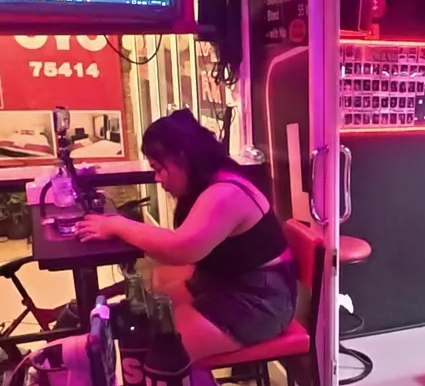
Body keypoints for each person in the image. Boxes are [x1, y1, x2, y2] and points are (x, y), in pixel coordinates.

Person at [73, 109, 296, 362]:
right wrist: (118, 225)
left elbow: (180, 249)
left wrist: (117, 226)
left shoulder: (226, 193)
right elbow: (177, 244)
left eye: (159, 168)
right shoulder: (214, 181)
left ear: (182, 158)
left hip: (260, 301)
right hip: (226, 285)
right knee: (144, 318)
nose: (157, 179)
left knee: (157, 354)